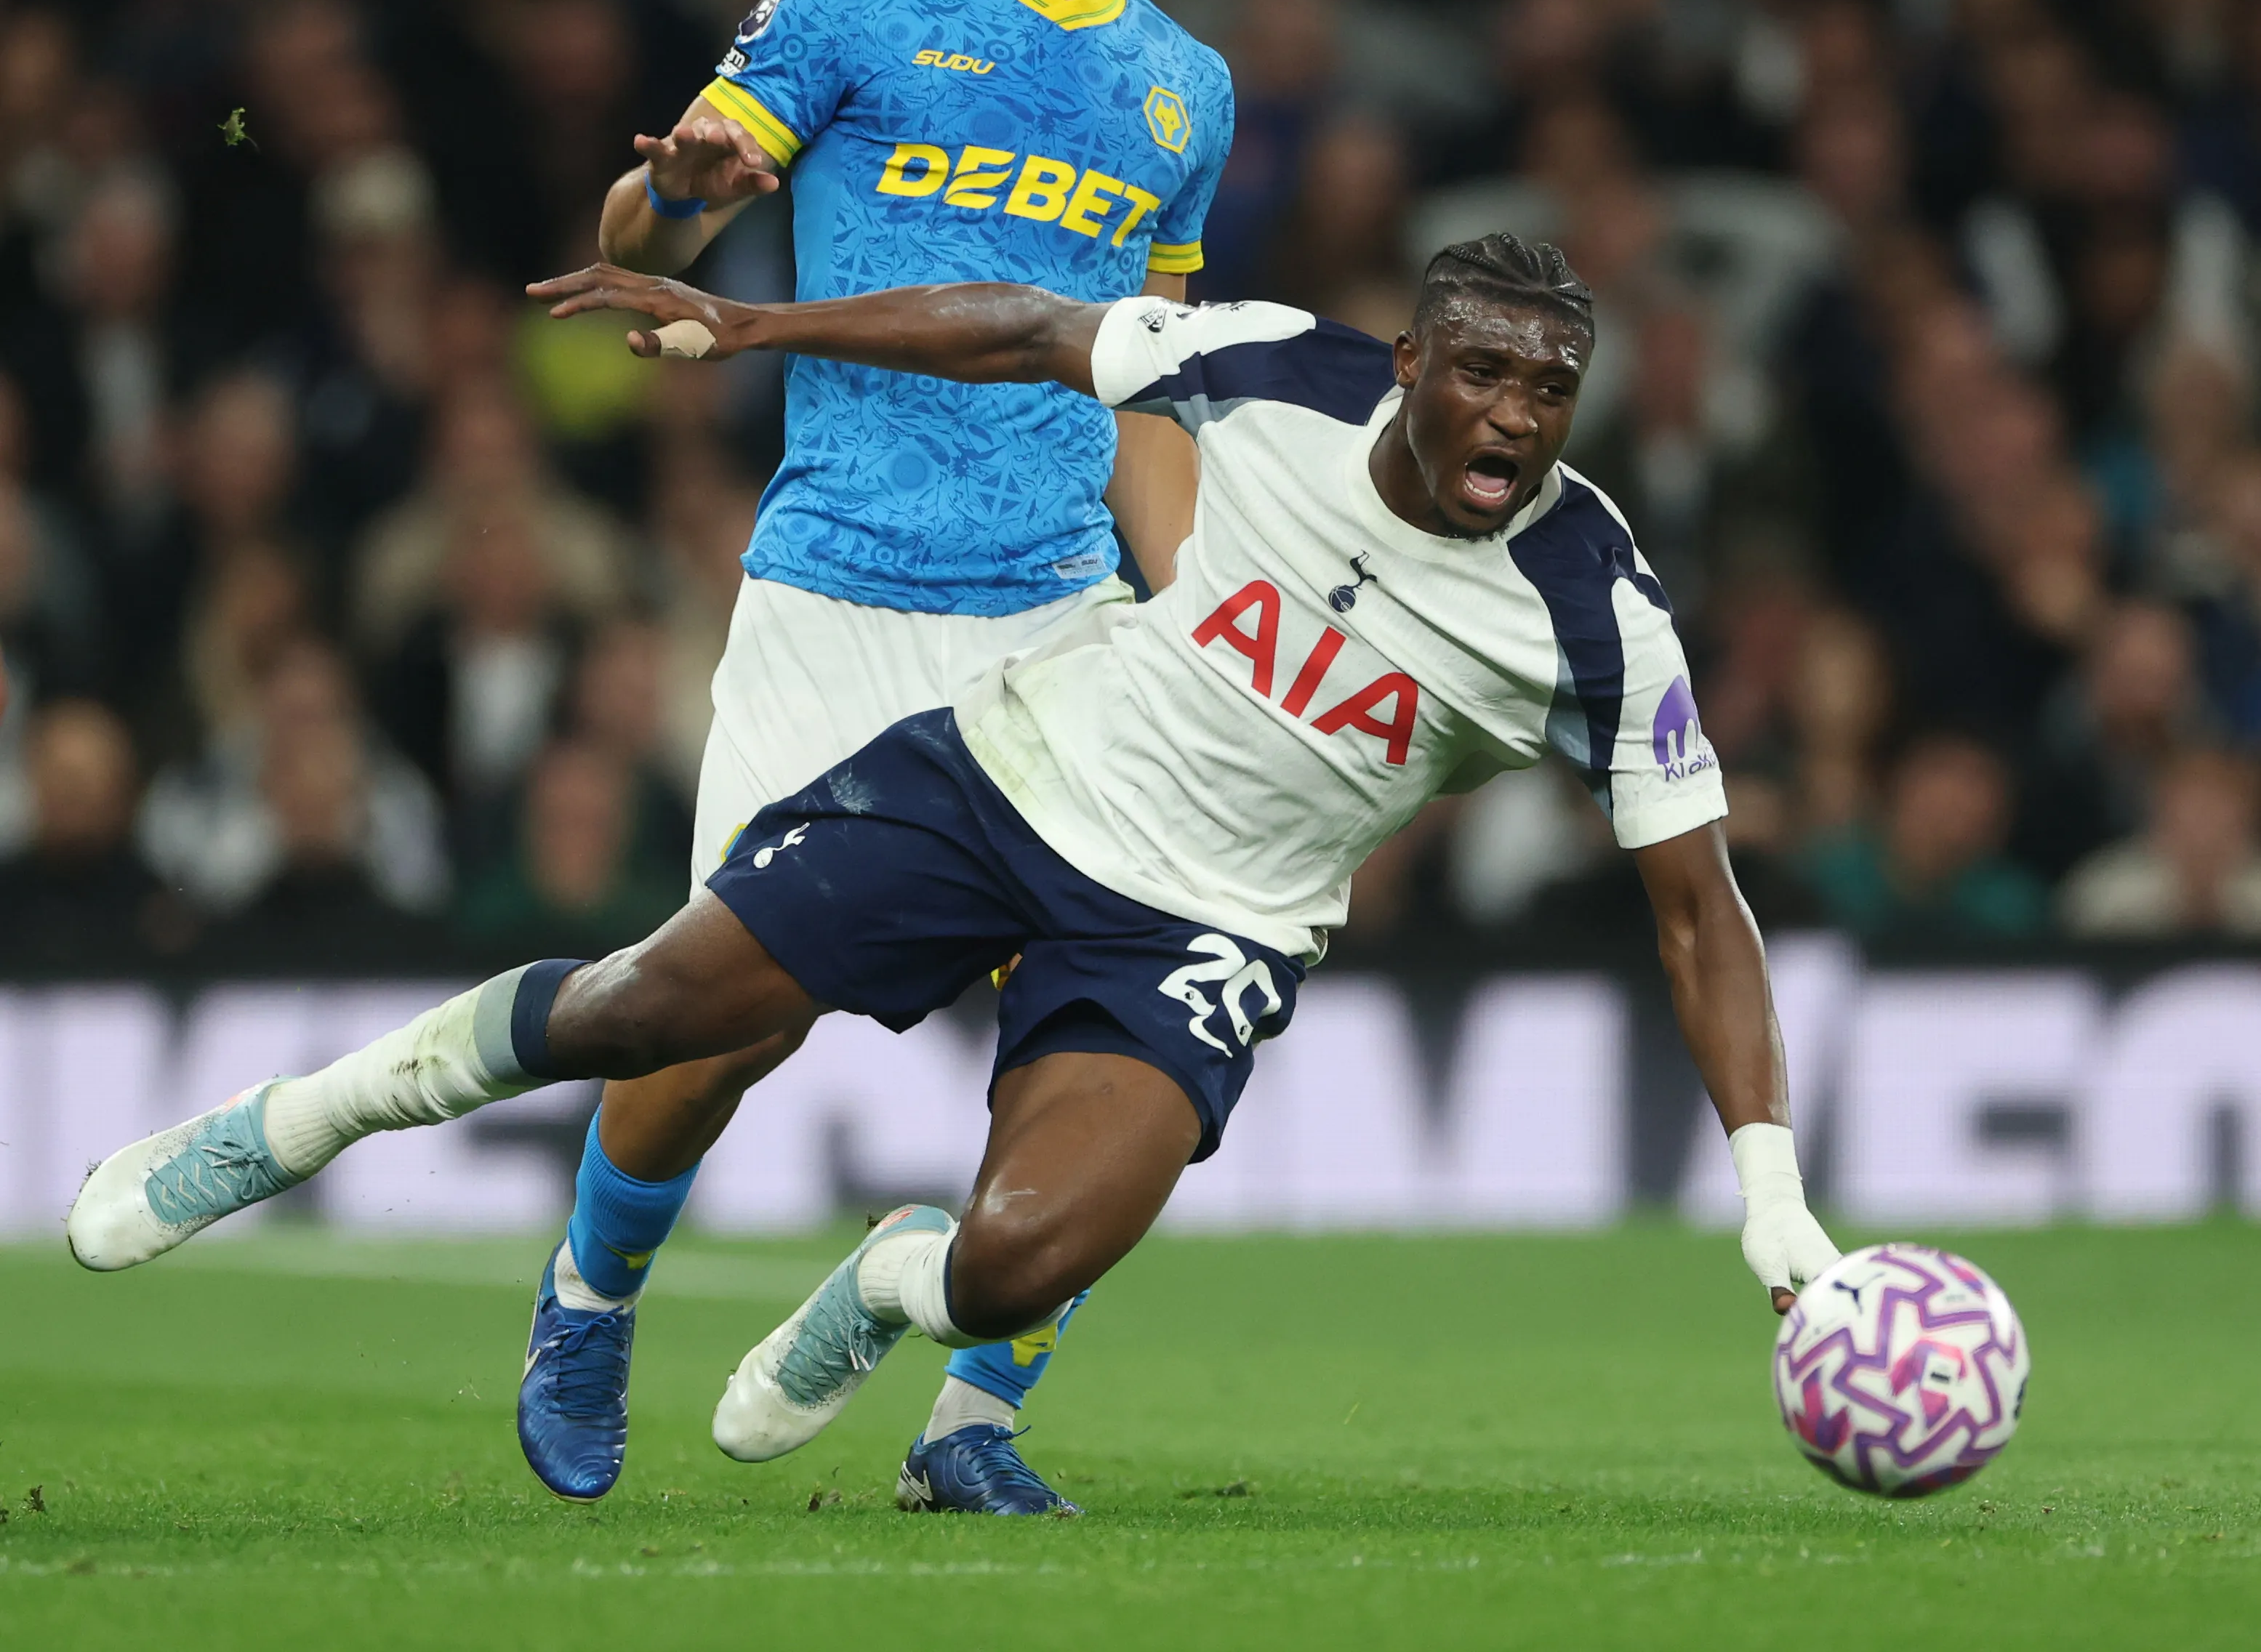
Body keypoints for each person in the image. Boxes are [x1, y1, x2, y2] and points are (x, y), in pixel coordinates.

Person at [68, 236, 1842, 1494]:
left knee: (1008, 1270)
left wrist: (1770, 1188)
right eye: (1485, 371)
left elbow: (1701, 915)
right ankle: (288, 1126)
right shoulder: (1279, 365)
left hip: (1201, 933)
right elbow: (1019, 328)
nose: (1518, 418)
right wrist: (754, 319)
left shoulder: (1593, 611)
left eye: (1551, 389)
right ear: (1410, 364)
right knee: (645, 1011)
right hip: (1007, 779)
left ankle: (883, 1288)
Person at [510, 0, 1232, 1512]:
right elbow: (653, 241)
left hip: (1061, 610)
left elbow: (1144, 381)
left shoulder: (1187, 90)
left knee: (1104, 1034)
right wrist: (668, 196)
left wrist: (1206, 604)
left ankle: (972, 1423)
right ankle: (593, 1294)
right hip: (839, 587)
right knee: (710, 1022)